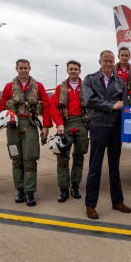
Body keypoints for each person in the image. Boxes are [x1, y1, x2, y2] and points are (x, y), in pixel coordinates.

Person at [83, 50, 131, 219]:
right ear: (100, 62)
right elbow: (89, 100)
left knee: (115, 168)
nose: (109, 64)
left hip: (115, 128)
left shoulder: (120, 82)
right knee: (95, 168)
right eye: (106, 61)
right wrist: (110, 106)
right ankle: (90, 204)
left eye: (111, 61)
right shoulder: (89, 80)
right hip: (98, 127)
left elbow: (124, 106)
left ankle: (117, 201)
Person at [0, 59, 52, 206]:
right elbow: (2, 106)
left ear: (30, 69)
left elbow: (47, 105)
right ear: (16, 69)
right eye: (21, 68)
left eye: (25, 68)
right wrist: (4, 119)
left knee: (30, 159)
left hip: (31, 124)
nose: (23, 70)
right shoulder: (9, 87)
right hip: (13, 127)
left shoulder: (38, 86)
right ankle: (20, 190)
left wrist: (45, 126)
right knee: (16, 159)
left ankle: (29, 192)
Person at [49, 60, 89, 202]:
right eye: (71, 69)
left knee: (79, 156)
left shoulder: (87, 87)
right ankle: (64, 189)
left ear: (79, 71)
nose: (73, 71)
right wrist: (59, 123)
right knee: (62, 158)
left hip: (82, 123)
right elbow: (52, 106)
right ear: (67, 71)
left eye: (76, 69)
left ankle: (75, 186)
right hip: (65, 123)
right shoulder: (60, 88)